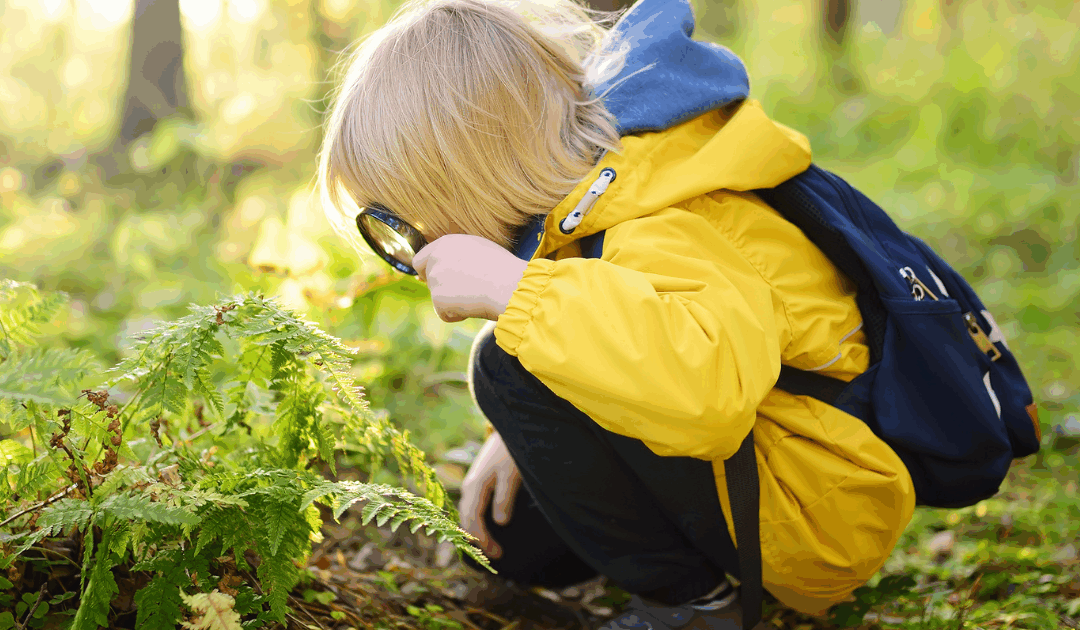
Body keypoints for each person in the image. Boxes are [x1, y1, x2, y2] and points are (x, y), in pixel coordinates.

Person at [316, 0, 916, 627]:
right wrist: (518, 436)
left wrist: (516, 296)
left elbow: (709, 395)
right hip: (768, 473)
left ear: (467, 178)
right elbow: (615, 324)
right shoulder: (591, 197)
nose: (407, 253)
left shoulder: (661, 213)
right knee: (514, 537)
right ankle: (667, 572)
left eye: (400, 225)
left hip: (818, 505)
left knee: (502, 363)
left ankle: (693, 608)